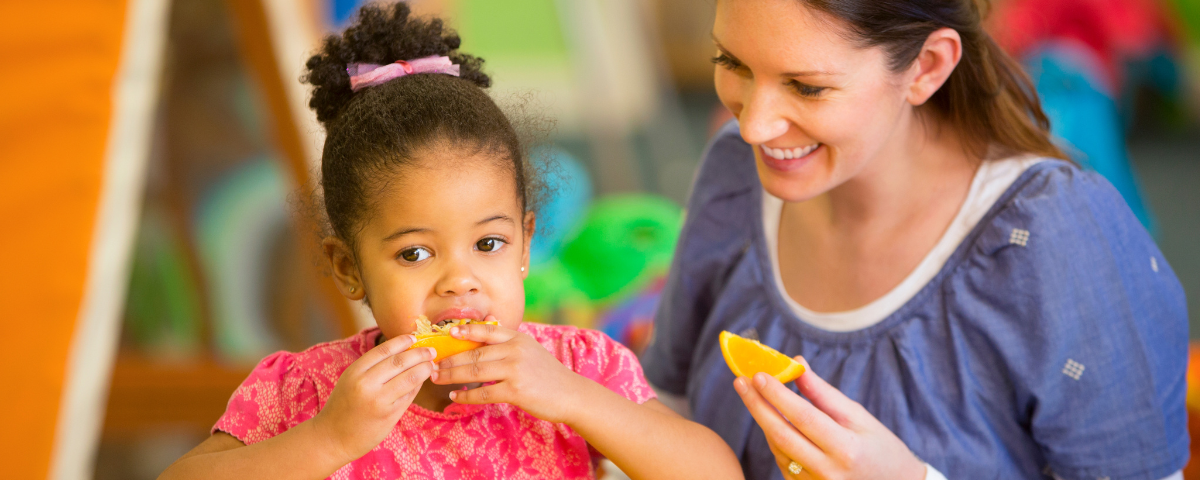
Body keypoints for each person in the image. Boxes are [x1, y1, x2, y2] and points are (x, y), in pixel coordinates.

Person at [158, 5, 742, 479]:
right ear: (349, 268)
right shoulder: (306, 392)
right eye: (414, 253)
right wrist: (328, 439)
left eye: (488, 244)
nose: (459, 280)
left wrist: (573, 398)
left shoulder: (579, 367)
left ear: (526, 244)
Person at [641, 0, 1189, 479]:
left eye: (807, 87)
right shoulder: (735, 170)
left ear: (927, 67)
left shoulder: (1056, 236)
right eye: (731, 62)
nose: (754, 126)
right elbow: (664, 408)